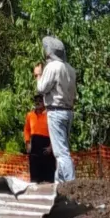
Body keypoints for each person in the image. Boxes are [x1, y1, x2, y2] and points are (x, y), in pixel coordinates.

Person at [33, 36, 77, 182]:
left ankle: (71, 184)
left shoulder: (53, 67)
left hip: (56, 112)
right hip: (68, 112)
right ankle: (59, 185)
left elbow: (41, 88)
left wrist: (39, 74)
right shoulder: (70, 69)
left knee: (61, 153)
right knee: (62, 148)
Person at [23, 93, 56, 184]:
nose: (38, 103)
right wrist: (27, 143)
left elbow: (54, 132)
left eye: (40, 101)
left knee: (49, 178)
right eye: (36, 101)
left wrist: (51, 147)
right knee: (34, 179)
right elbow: (26, 130)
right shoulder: (30, 115)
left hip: (47, 148)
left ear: (45, 102)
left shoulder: (50, 115)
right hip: (34, 148)